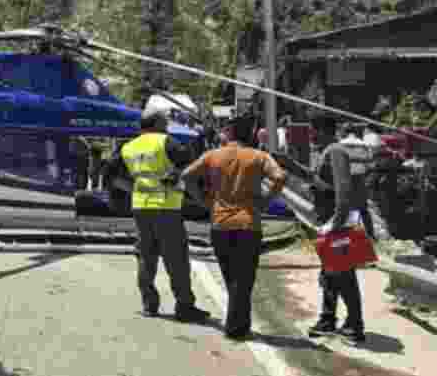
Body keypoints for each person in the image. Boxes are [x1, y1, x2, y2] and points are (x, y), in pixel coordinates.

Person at [181, 113, 287, 340]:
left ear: (229, 133)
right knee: (244, 279)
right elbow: (279, 177)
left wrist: (204, 202)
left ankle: (239, 324)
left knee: (232, 278)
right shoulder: (259, 156)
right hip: (249, 224)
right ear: (250, 134)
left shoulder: (213, 155)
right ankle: (236, 327)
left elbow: (186, 176)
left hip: (220, 224)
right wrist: (266, 202)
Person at [107, 106, 210, 322]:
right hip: (166, 207)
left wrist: (133, 187)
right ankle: (184, 306)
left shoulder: (128, 146)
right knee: (176, 258)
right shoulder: (165, 142)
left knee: (146, 256)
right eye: (164, 121)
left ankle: (149, 305)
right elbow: (190, 165)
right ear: (156, 124)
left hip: (140, 208)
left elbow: (110, 174)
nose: (167, 125)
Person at [307, 116, 370, 343]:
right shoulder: (329, 151)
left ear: (322, 130)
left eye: (313, 131)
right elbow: (328, 186)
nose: (310, 136)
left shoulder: (335, 151)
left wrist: (336, 223)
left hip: (335, 224)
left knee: (343, 275)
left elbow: (343, 190)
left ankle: (354, 325)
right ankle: (328, 319)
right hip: (329, 222)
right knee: (329, 275)